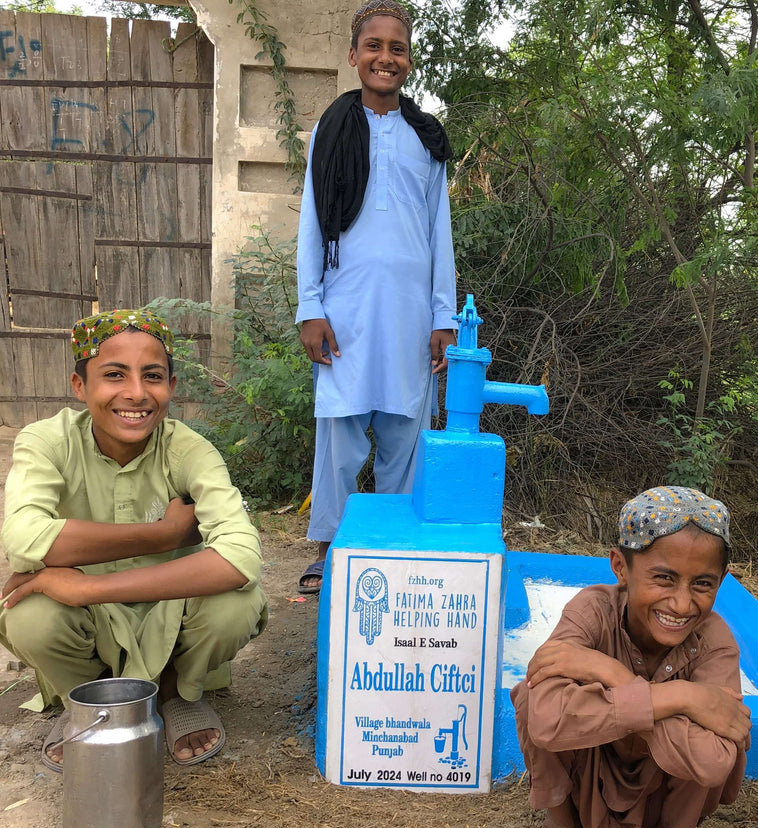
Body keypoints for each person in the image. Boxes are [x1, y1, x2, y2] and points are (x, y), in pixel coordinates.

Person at [0, 309, 268, 771]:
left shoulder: (188, 449)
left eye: (153, 376)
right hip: (89, 623)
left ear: (172, 386)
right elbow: (24, 539)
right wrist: (163, 533)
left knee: (237, 603)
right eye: (114, 375)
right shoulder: (46, 442)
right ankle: (86, 699)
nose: (137, 394)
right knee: (31, 616)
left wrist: (88, 586)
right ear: (80, 386)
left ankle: (175, 692)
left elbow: (241, 556)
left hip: (171, 608)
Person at [503, 486, 751, 828]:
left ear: (721, 579)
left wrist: (614, 678)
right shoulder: (592, 611)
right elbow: (544, 717)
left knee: (724, 742)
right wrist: (682, 699)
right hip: (588, 772)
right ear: (621, 567)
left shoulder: (714, 640)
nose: (681, 603)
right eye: (663, 578)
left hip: (663, 791)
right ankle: (559, 827)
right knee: (531, 695)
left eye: (703, 583)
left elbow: (714, 762)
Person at [294, 0, 457, 594]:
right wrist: (309, 306)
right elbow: (313, 222)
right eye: (374, 46)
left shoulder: (426, 139)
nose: (385, 57)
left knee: (405, 432)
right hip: (345, 311)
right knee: (339, 433)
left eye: (398, 48)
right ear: (354, 55)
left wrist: (444, 315)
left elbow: (440, 228)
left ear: (410, 60)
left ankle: (389, 546)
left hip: (412, 315)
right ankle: (330, 546)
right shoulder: (330, 132)